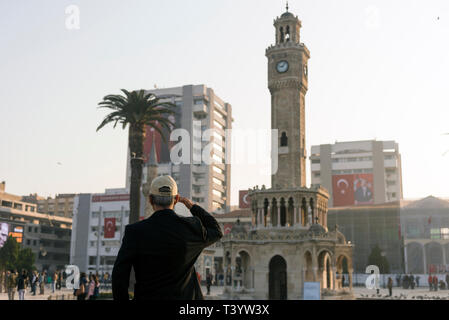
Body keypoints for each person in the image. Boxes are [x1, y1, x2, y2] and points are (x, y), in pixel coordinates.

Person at [112, 175, 223, 300]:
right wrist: (192, 206)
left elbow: (119, 275)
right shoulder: (191, 228)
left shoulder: (135, 232)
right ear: (176, 200)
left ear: (150, 200)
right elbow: (217, 230)